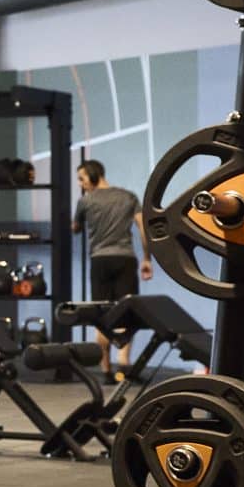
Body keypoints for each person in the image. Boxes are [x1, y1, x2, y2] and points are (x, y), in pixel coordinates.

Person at [75, 159, 147, 374]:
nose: (81, 184)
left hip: (100, 260)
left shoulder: (86, 201)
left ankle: (105, 368)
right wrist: (147, 259)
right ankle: (123, 363)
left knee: (102, 313)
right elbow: (143, 227)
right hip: (125, 258)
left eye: (82, 178)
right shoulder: (128, 197)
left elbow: (75, 227)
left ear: (93, 174)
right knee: (126, 310)